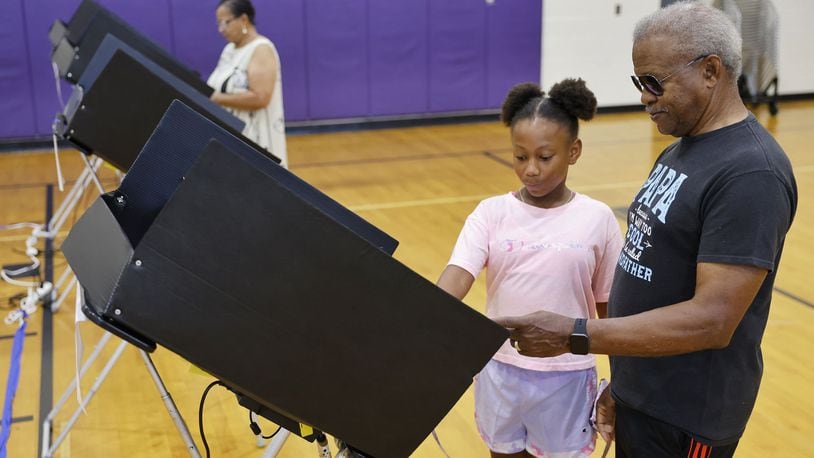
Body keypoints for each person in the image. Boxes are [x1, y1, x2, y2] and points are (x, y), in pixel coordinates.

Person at [493, 2, 798, 457]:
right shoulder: (680, 151)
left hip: (687, 416)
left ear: (711, 71)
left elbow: (712, 320)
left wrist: (575, 333)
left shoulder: (751, 173)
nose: (644, 96)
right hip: (645, 398)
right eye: (639, 82)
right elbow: (651, 283)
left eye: (654, 82)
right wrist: (624, 384)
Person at [436, 79, 623, 458]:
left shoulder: (597, 219)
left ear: (574, 151)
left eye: (544, 156)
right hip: (499, 371)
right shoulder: (491, 213)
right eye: (520, 157)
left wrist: (621, 384)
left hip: (567, 377)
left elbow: (611, 312)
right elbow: (458, 274)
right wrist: (424, 314)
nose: (531, 170)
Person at [207, 0, 288, 168]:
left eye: (225, 23)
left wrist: (216, 98)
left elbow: (260, 98)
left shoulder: (261, 49)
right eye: (218, 24)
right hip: (232, 137)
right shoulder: (230, 49)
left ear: (243, 19)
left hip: (257, 141)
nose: (221, 29)